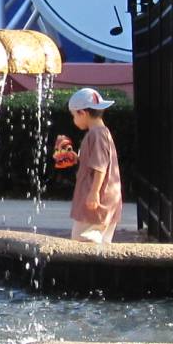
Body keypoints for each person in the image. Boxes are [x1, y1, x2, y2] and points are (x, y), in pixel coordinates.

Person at [67, 86, 123, 243]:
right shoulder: (102, 132)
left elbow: (100, 166)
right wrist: (76, 158)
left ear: (82, 113)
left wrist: (94, 193)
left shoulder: (96, 135)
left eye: (74, 116)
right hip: (109, 201)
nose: (74, 120)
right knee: (101, 245)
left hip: (97, 204)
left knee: (81, 243)